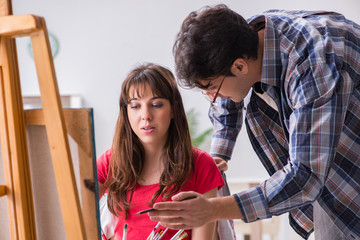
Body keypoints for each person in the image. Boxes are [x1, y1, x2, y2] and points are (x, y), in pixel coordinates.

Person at [148, 4, 360, 240]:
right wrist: (220, 153)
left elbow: (305, 176)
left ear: (240, 66)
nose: (212, 98)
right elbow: (227, 100)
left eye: (210, 88)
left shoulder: (313, 63)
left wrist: (211, 210)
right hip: (331, 176)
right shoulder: (244, 38)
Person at [96, 63, 224, 240]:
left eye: (156, 104)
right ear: (126, 112)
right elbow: (77, 217)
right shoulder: (108, 162)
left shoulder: (202, 165)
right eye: (135, 106)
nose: (145, 115)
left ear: (173, 109)